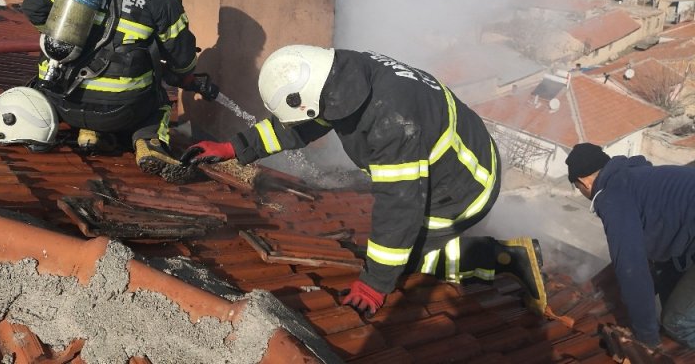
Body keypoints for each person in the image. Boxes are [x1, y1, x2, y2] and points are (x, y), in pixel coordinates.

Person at [181, 45, 546, 317]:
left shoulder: (392, 123)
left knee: (405, 259)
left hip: (463, 188)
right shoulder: (340, 74)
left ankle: (506, 258)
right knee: (392, 250)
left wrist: (374, 284)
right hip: (459, 158)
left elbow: (399, 209)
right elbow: (303, 122)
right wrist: (235, 146)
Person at [22, 0, 209, 182]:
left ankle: (90, 133)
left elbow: (32, 9)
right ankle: (150, 141)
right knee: (158, 99)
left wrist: (66, 41)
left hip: (63, 101)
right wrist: (186, 71)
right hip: (120, 111)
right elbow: (182, 57)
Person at [566, 142, 695, 349]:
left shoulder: (612, 197)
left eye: (576, 187)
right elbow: (655, 255)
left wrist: (647, 339)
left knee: (677, 322)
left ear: (584, 182)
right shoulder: (634, 176)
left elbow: (632, 269)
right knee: (670, 290)